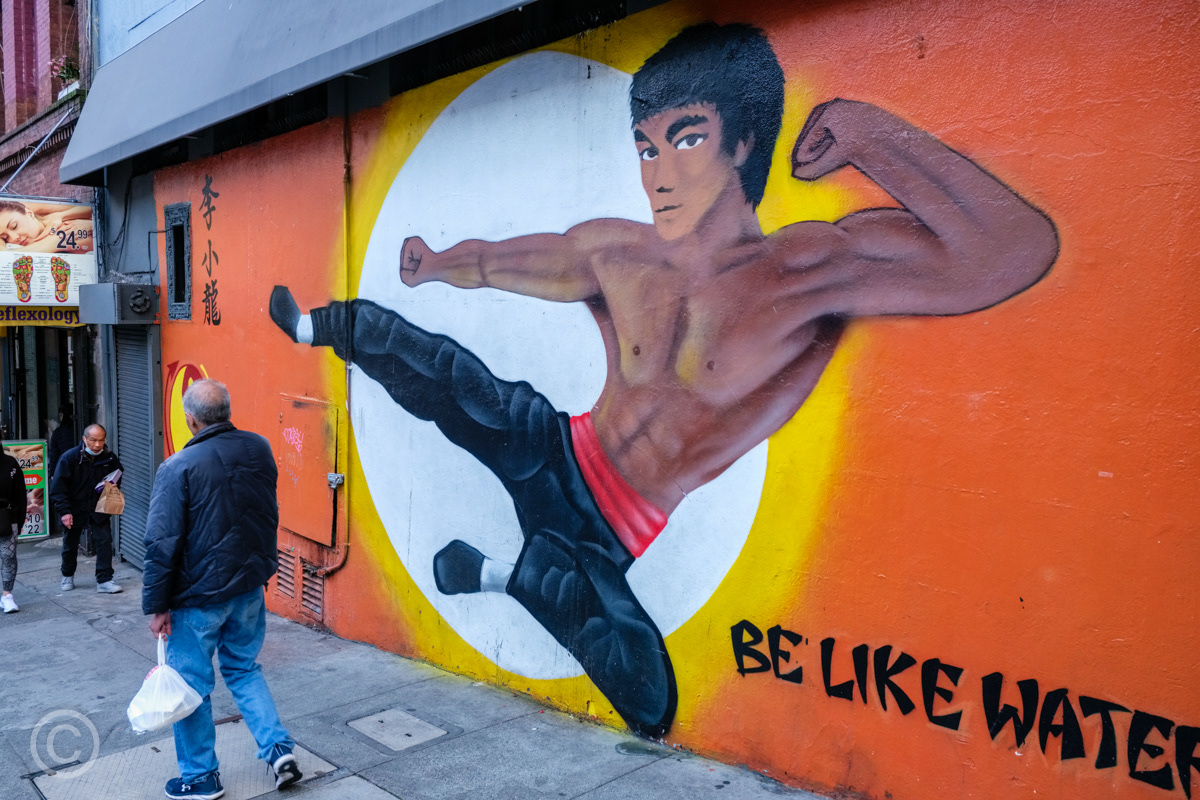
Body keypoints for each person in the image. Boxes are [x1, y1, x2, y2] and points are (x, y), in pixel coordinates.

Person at [268, 22, 1058, 737]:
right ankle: (318, 325)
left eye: (685, 139)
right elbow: (501, 261)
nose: (659, 173)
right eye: (647, 148)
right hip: (552, 447)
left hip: (606, 532)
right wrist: (436, 266)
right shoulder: (622, 252)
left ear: (743, 141)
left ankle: (514, 578)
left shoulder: (805, 273)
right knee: (448, 377)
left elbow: (1010, 248)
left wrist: (866, 136)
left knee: (647, 697)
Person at [143, 379, 301, 799]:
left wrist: (156, 606)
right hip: (248, 587)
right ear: (227, 411)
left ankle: (199, 777)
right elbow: (266, 512)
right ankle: (279, 750)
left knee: (191, 685)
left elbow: (162, 543)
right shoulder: (259, 448)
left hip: (198, 598)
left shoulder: (178, 467)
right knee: (244, 670)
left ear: (190, 419)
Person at [49, 423, 123, 593]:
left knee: (104, 541)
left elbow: (118, 476)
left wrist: (111, 489)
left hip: (98, 506)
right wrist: (65, 511)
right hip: (74, 506)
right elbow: (58, 488)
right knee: (70, 543)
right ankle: (67, 575)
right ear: (84, 439)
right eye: (93, 440)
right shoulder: (70, 458)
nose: (97, 445)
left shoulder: (109, 458)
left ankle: (104, 580)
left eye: (101, 440)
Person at [0, 199, 93, 253]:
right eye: (5, 237)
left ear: (29, 213)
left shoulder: (65, 229)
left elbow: (94, 208)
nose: (15, 238)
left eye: (15, 226)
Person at [0, 447, 27, 613]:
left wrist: (19, 519)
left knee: (8, 555)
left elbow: (20, 494)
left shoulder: (10, 463)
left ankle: (7, 595)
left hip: (6, 515)